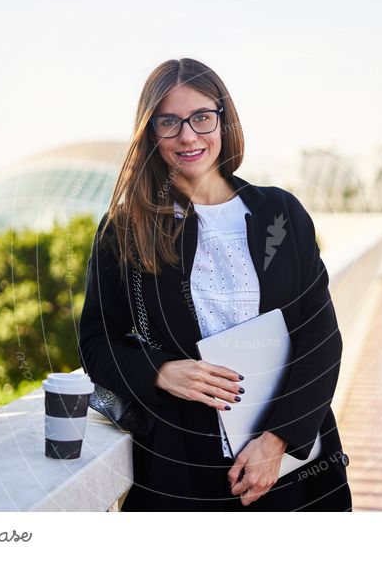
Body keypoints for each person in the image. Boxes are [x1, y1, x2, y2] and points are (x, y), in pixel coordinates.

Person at [77, 58, 352, 511]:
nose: (188, 136)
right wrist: (159, 371)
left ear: (225, 120)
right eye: (169, 122)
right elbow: (96, 341)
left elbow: (320, 339)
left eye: (202, 117)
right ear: (150, 134)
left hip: (292, 462)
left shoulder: (280, 214)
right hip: (184, 468)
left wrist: (277, 441)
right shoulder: (125, 229)